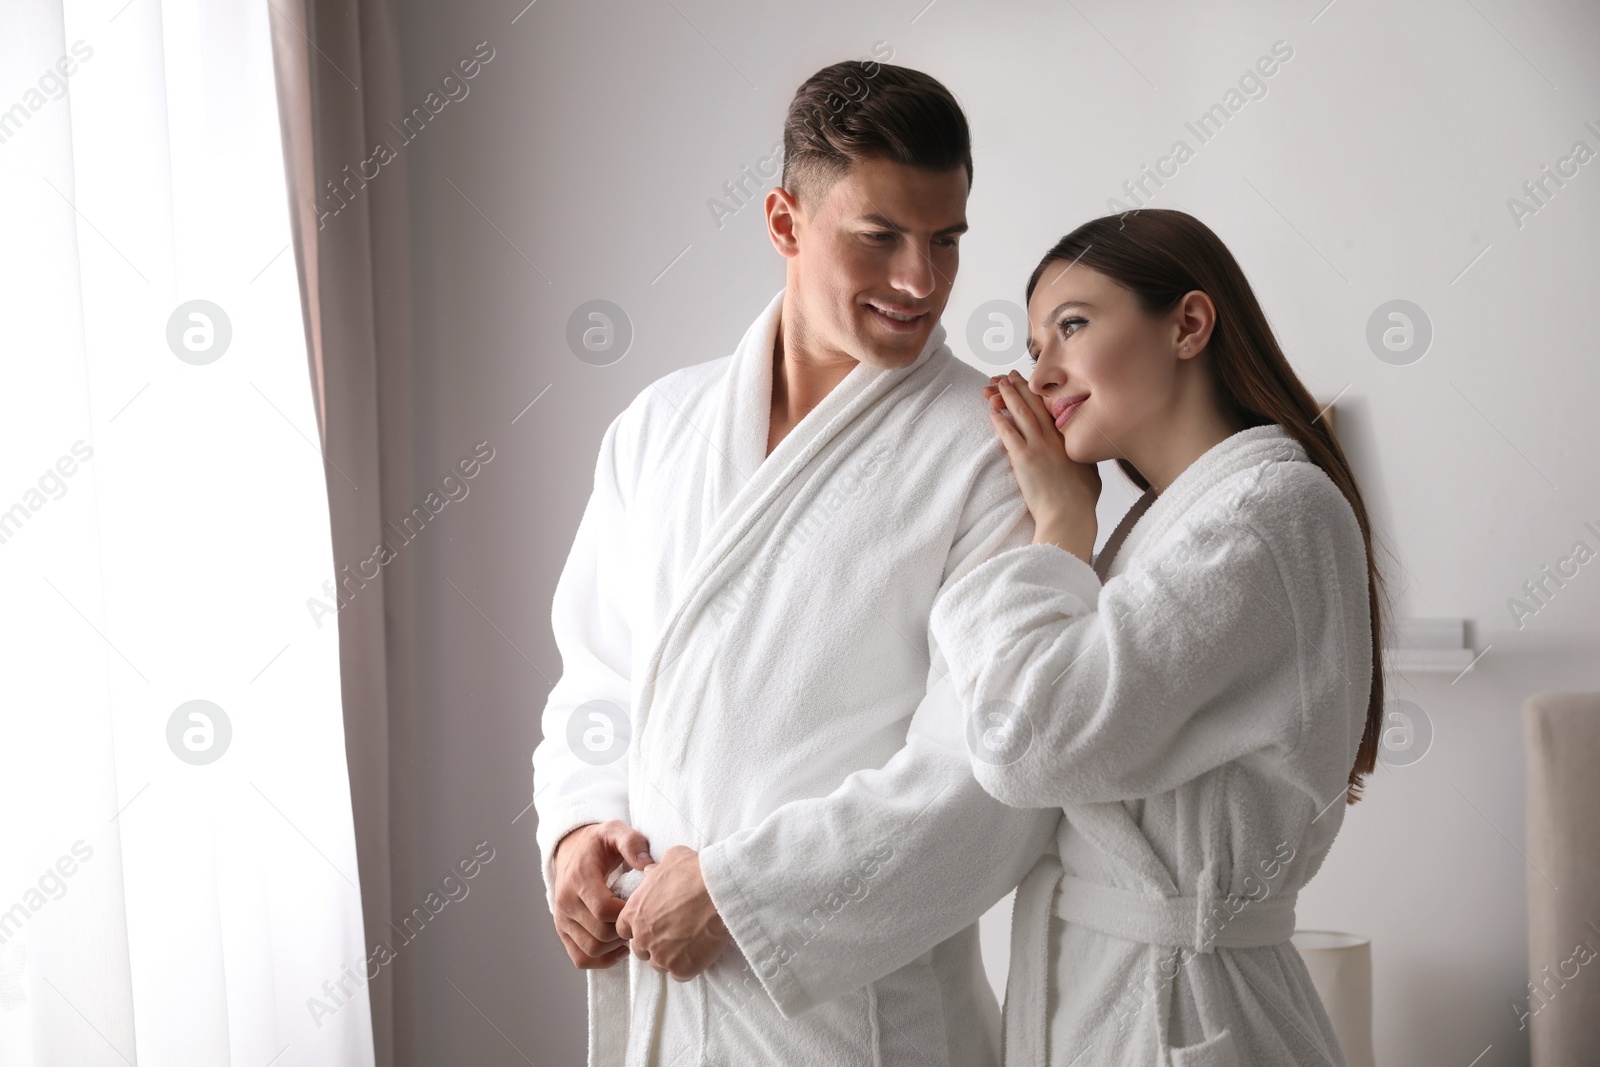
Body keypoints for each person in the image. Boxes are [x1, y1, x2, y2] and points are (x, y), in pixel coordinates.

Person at [532, 60, 1058, 1066]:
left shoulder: (991, 451)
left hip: (856, 1017)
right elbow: (596, 678)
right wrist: (577, 827)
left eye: (945, 240)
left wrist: (740, 892)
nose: (922, 280)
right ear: (783, 220)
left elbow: (991, 771)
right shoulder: (659, 428)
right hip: (666, 997)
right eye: (880, 237)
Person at [929, 208, 1389, 1066]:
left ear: (1187, 324)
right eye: (1035, 346)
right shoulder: (1170, 523)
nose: (1044, 372)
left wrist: (1062, 523)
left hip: (1184, 1011)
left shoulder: (1268, 513)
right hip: (1123, 995)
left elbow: (1023, 740)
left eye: (1072, 326)